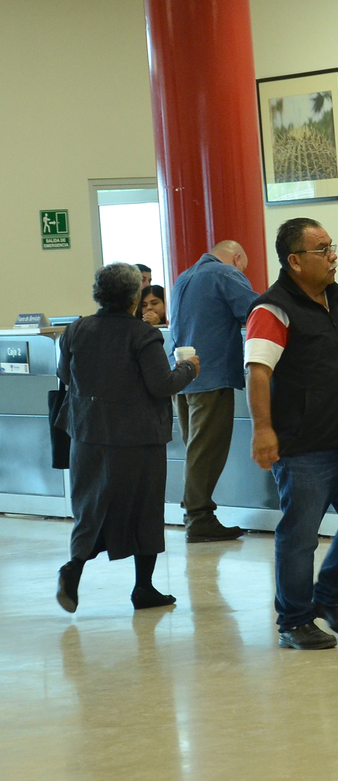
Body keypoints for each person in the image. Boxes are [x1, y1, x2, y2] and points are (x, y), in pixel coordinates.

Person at [245, 219, 338, 650]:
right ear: (294, 261)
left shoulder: (337, 296)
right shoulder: (272, 310)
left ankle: (330, 597)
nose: (333, 256)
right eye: (322, 249)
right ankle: (293, 621)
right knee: (300, 536)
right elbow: (258, 372)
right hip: (303, 447)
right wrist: (263, 429)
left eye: (332, 247)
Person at [54, 262, 200, 613]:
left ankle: (73, 569)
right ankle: (143, 588)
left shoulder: (75, 330)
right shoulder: (143, 335)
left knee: (90, 507)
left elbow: (65, 376)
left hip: (87, 433)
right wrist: (189, 368)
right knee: (143, 509)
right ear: (135, 296)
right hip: (138, 436)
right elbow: (162, 385)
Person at [168, 240, 258, 543]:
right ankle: (199, 518)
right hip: (212, 374)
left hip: (182, 376)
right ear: (237, 257)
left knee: (195, 449)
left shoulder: (184, 277)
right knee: (206, 451)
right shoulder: (226, 274)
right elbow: (256, 312)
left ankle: (197, 515)